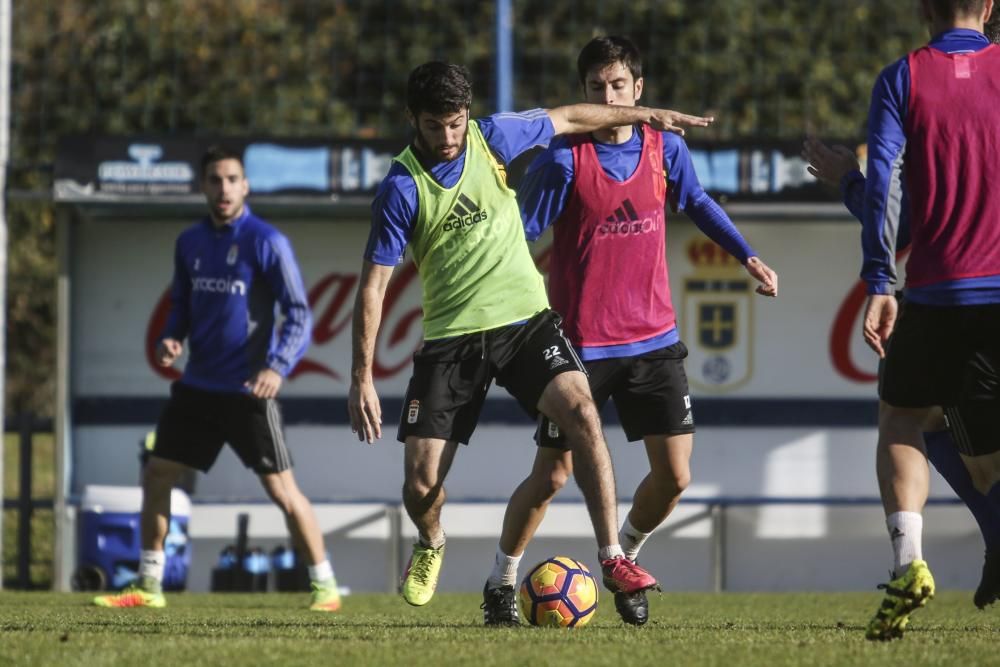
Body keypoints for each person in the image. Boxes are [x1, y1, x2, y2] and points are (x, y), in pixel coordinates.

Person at [348, 61, 714, 623]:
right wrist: (362, 379)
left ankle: (612, 556)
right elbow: (373, 287)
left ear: (466, 114)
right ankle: (432, 542)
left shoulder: (492, 136)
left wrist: (646, 115)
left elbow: (570, 117)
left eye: (454, 123)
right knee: (421, 486)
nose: (447, 137)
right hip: (452, 340)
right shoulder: (401, 188)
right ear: (412, 120)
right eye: (433, 125)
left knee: (583, 414)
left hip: (526, 322)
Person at [480, 36, 777, 627]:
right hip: (580, 348)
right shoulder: (564, 159)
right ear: (585, 93)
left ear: (638, 91)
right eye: (596, 88)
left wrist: (748, 256)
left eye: (618, 86)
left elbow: (697, 202)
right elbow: (518, 239)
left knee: (675, 476)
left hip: (655, 342)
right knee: (552, 476)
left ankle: (627, 557)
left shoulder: (664, 148)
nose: (609, 97)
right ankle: (501, 579)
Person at [94, 146, 342, 612]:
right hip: (197, 388)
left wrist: (277, 367)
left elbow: (299, 313)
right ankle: (149, 586)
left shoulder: (267, 241)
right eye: (215, 180)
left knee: (283, 493)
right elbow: (181, 306)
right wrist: (171, 339)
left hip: (248, 392)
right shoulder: (189, 242)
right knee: (157, 473)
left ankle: (324, 587)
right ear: (203, 186)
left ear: (245, 186)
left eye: (232, 179)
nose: (223, 188)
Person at [805, 122, 1000, 610]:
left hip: (958, 296)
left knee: (911, 421)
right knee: (942, 428)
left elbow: (903, 223)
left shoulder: (939, 108)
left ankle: (916, 561)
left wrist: (851, 179)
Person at [853, 0, 1000, 640]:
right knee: (984, 460)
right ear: (990, 7)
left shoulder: (902, 77)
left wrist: (881, 279)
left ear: (923, 10)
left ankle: (908, 563)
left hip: (939, 293)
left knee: (904, 418)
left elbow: (884, 181)